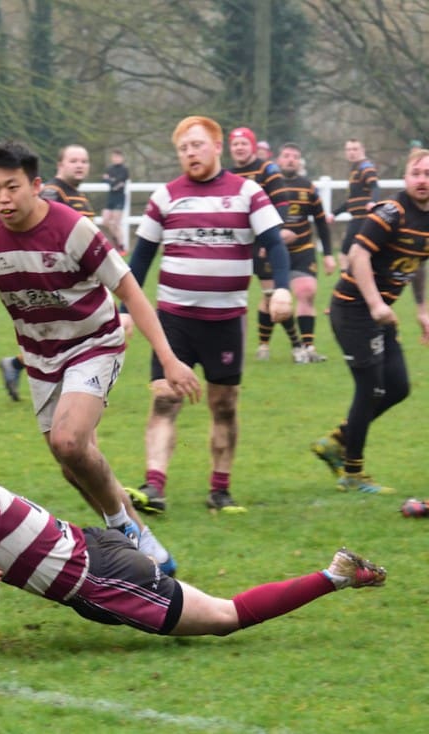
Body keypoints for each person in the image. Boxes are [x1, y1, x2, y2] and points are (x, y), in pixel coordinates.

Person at [0, 404, 386, 636]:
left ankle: (336, 573)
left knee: (226, 617)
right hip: (94, 558)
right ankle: (158, 564)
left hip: (101, 575)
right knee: (148, 607)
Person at [0, 140, 201, 577]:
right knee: (72, 465)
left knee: (68, 442)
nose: (3, 199)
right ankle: (144, 541)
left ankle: (122, 530)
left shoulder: (72, 228)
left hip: (94, 343)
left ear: (37, 186)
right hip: (41, 357)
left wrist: (169, 358)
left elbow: (131, 292)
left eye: (12, 187)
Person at [126, 116, 294, 514]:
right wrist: (123, 311)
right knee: (165, 400)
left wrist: (282, 287)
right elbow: (140, 259)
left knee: (224, 405)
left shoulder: (247, 193)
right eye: (183, 148)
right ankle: (154, 487)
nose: (190, 153)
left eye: (197, 145)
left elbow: (275, 243)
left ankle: (220, 490)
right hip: (174, 320)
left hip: (224, 323)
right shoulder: (165, 197)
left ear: (216, 147)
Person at [311, 148, 429, 494]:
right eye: (416, 173)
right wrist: (376, 303)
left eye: (428, 173)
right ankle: (352, 472)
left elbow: (418, 263)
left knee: (398, 387)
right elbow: (358, 257)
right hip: (353, 310)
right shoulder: (391, 213)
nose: (422, 180)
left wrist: (422, 310)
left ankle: (338, 440)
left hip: (380, 314)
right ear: (405, 177)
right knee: (371, 387)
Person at [0, 144, 101, 403]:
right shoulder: (53, 194)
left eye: (84, 161)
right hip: (55, 281)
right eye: (73, 160)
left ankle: (18, 365)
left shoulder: (79, 196)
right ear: (60, 165)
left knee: (68, 336)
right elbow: (47, 236)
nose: (80, 165)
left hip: (79, 280)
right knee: (62, 338)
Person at [228, 127, 307, 363]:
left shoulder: (267, 169)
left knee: (273, 295)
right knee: (229, 298)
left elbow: (282, 204)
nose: (240, 148)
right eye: (235, 144)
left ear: (252, 146)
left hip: (263, 242)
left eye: (244, 143)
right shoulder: (228, 174)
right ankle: (233, 350)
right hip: (237, 245)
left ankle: (296, 345)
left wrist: (268, 235)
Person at [275, 142, 336, 361]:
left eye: (295, 156)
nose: (291, 159)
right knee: (275, 303)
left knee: (307, 292)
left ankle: (309, 348)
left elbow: (320, 221)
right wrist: (268, 241)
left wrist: (328, 254)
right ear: (278, 159)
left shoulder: (308, 187)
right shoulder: (269, 186)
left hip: (303, 249)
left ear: (299, 162)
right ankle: (296, 345)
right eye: (287, 155)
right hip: (276, 251)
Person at [327, 139, 379, 272]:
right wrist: (335, 213)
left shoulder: (365, 167)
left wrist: (373, 201)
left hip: (362, 218)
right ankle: (353, 280)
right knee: (353, 253)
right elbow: (352, 201)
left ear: (363, 150)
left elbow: (375, 186)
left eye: (355, 149)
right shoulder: (354, 171)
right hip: (357, 217)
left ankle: (345, 282)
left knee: (345, 253)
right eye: (349, 149)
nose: (351, 153)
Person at [101, 148, 130, 253]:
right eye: (114, 157)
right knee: (105, 221)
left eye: (117, 156)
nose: (115, 158)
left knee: (116, 223)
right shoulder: (110, 168)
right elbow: (104, 179)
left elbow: (119, 183)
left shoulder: (124, 169)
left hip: (119, 197)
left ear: (121, 158)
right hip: (111, 197)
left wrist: (111, 180)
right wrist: (112, 180)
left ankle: (121, 247)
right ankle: (115, 242)